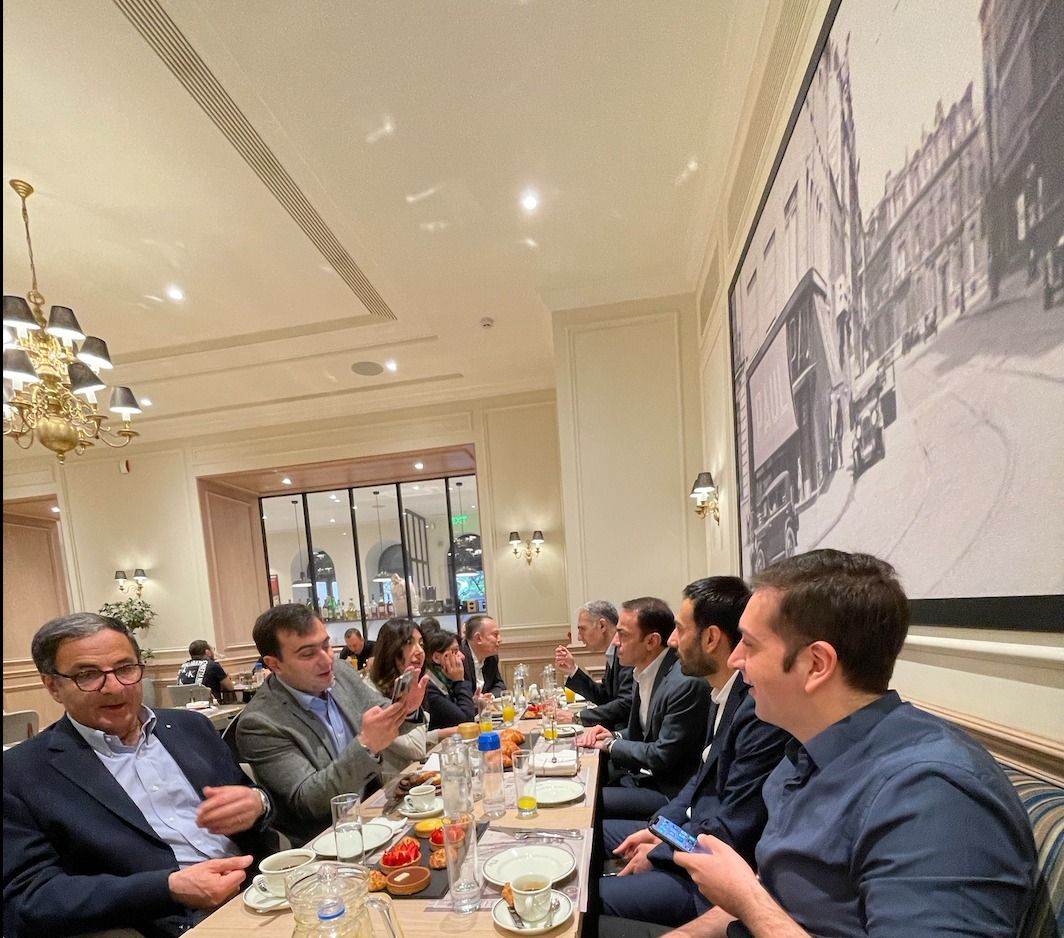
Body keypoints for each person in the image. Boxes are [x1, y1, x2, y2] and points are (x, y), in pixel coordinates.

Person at [667, 550, 1037, 938]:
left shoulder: (933, 795)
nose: (736, 659)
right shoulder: (804, 753)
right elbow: (777, 897)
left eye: (750, 644)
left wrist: (746, 899)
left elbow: (757, 901)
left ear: (816, 664)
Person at [4, 613, 277, 938]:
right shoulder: (22, 772)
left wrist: (258, 802)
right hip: (170, 922)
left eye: (125, 668)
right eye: (87, 675)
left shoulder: (191, 728)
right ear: (53, 686)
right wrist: (167, 889)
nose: (114, 687)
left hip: (266, 888)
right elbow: (30, 897)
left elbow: (252, 801)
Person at [599, 577, 790, 929]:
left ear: (711, 638)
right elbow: (700, 780)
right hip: (692, 840)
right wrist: (660, 830)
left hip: (710, 884)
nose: (672, 640)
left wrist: (663, 849)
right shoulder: (722, 692)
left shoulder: (756, 709)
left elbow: (731, 828)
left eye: (680, 629)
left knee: (585, 903)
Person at [236, 603, 427, 846]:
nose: (326, 660)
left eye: (326, 645)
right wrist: (367, 746)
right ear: (274, 664)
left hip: (376, 814)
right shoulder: (259, 723)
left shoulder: (340, 672)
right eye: (308, 654)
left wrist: (406, 709)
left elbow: (382, 713)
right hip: (325, 842)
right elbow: (309, 801)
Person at [579, 597, 711, 818]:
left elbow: (662, 755)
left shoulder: (684, 683)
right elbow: (643, 733)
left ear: (651, 641)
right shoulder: (644, 671)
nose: (615, 642)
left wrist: (611, 745)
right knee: (587, 787)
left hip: (670, 791)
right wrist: (613, 735)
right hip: (645, 776)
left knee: (586, 805)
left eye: (623, 634)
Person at [362, 618, 456, 779]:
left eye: (421, 644)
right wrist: (412, 709)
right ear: (391, 649)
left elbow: (410, 738)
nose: (419, 651)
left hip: (410, 778)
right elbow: (415, 748)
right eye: (409, 643)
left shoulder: (408, 682)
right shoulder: (370, 693)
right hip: (387, 786)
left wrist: (444, 733)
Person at [555, 599, 634, 730]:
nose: (579, 637)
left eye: (582, 629)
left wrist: (577, 717)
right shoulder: (613, 652)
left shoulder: (625, 653)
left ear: (602, 625)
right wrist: (573, 670)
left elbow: (626, 704)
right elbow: (604, 697)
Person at [422, 627, 476, 728]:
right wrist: (460, 681)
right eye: (455, 651)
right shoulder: (429, 686)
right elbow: (466, 722)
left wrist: (475, 702)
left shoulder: (447, 679)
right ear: (436, 658)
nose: (462, 656)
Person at [461, 614, 506, 697]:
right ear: (478, 638)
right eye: (495, 635)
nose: (500, 639)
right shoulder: (460, 658)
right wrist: (475, 701)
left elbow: (499, 685)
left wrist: (490, 696)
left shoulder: (491, 657)